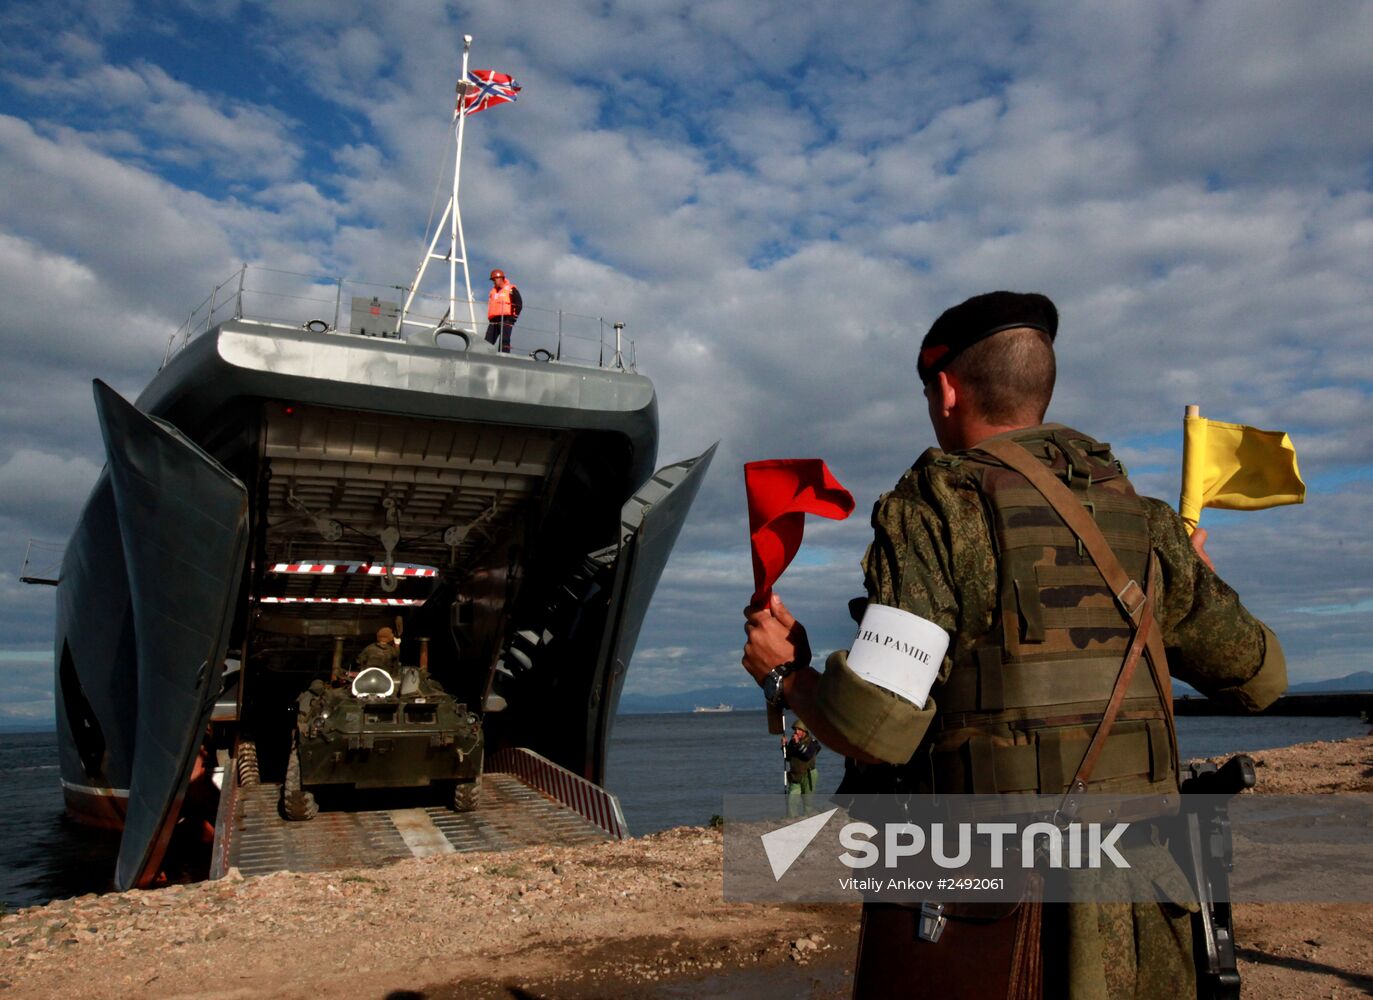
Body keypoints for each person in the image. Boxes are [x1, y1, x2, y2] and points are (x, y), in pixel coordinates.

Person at [741, 290, 1287, 998]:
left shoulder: (937, 506)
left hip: (991, 915)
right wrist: (1195, 581)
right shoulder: (1147, 525)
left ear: (944, 389)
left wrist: (785, 677)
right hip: (1147, 908)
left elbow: (873, 726)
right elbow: (1260, 676)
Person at [783, 718, 821, 815]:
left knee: (808, 802)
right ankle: (791, 820)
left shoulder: (812, 743)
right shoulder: (792, 742)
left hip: (808, 775)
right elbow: (787, 758)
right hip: (795, 775)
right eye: (795, 729)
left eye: (799, 730)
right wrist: (784, 746)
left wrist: (798, 744)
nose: (796, 732)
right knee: (791, 799)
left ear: (805, 731)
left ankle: (808, 819)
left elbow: (807, 755)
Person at [485, 268, 522, 352]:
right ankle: (485, 356)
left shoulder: (511, 289)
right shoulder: (493, 292)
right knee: (487, 340)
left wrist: (514, 317)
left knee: (504, 340)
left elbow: (519, 303)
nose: (493, 282)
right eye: (493, 280)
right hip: (494, 320)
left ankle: (504, 357)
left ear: (501, 278)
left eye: (494, 279)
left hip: (507, 319)